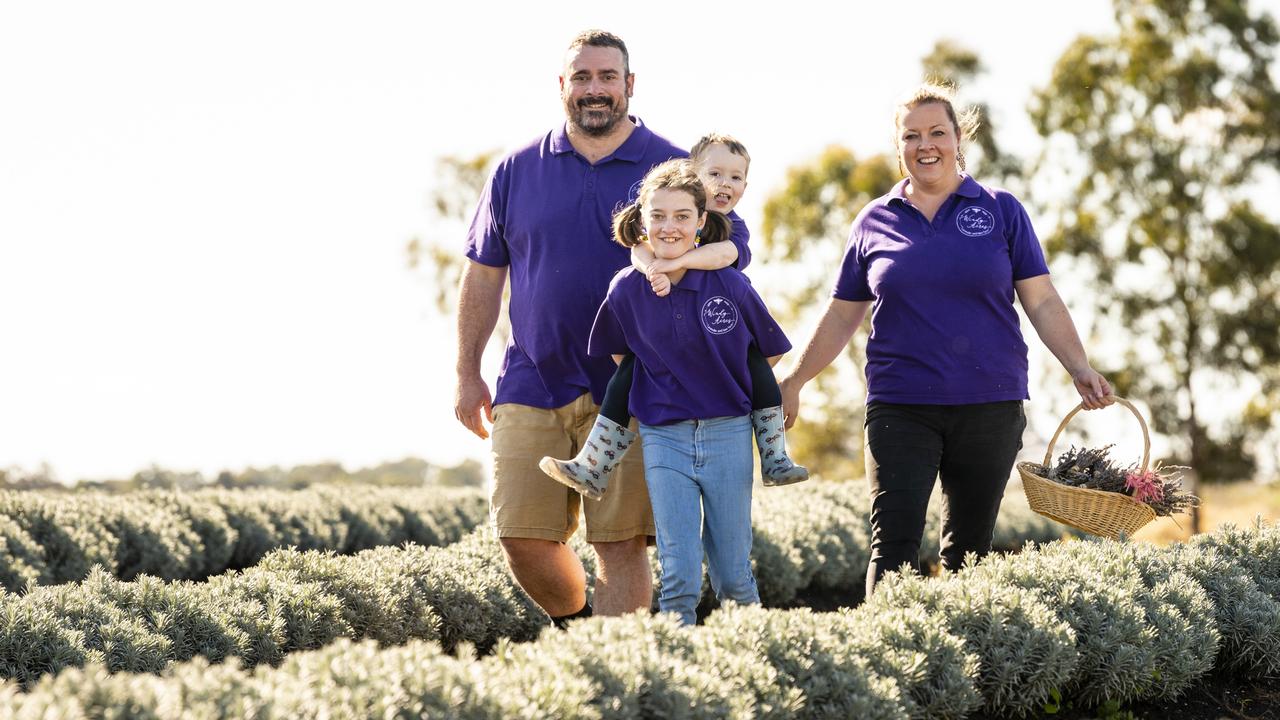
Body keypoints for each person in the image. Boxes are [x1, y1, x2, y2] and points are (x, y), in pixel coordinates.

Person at [454, 30, 749, 627]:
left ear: (629, 85)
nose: (595, 90)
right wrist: (466, 372)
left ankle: (616, 676)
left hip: (639, 387)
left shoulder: (671, 168)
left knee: (620, 545)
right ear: (562, 86)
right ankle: (583, 626)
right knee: (520, 534)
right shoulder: (515, 170)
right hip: (532, 380)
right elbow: (483, 276)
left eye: (607, 77)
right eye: (582, 78)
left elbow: (731, 251)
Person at [778, 83, 1115, 597]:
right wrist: (796, 378)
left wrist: (1079, 366)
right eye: (912, 136)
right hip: (899, 405)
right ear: (899, 147)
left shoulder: (1002, 210)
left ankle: (961, 671)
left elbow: (1041, 300)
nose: (925, 144)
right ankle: (887, 664)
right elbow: (843, 313)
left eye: (937, 132)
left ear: (960, 139)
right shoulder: (874, 220)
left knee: (969, 551)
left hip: (990, 404)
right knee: (892, 548)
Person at [539, 134, 807, 499]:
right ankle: (594, 464)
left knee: (756, 363)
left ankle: (774, 455)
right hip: (666, 328)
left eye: (736, 177)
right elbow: (638, 247)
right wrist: (653, 267)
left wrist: (675, 262)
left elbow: (723, 256)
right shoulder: (670, 214)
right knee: (629, 370)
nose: (724, 184)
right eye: (714, 173)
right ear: (692, 175)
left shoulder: (734, 226)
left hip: (720, 333)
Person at [589, 159, 792, 625]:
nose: (669, 226)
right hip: (665, 438)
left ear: (702, 222)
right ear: (642, 220)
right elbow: (622, 358)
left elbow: (768, 354)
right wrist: (670, 383)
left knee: (735, 576)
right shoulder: (627, 288)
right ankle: (680, 683)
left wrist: (716, 382)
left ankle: (749, 671)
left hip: (728, 435)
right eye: (658, 215)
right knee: (678, 577)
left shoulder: (728, 282)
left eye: (682, 216)